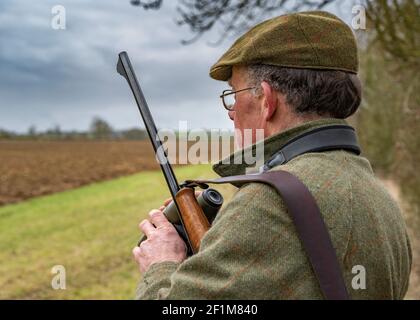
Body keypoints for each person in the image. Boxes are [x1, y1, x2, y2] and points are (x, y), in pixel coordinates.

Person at [132, 11, 412, 299]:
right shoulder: (379, 197)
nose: (231, 113)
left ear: (266, 99)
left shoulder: (269, 203)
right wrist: (222, 244)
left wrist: (161, 265)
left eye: (233, 94)